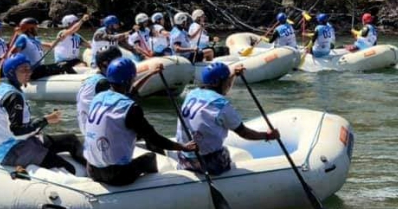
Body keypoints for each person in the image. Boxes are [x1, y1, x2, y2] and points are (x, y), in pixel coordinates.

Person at [84, 58, 196, 186]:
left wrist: (151, 73)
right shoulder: (130, 108)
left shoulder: (98, 97)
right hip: (116, 175)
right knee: (150, 157)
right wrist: (183, 147)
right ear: (129, 80)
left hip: (91, 169)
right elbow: (154, 138)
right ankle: (156, 188)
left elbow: (131, 92)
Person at [0, 54, 86, 174]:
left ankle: (94, 167)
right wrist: (45, 120)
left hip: (8, 145)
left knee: (70, 139)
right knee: (68, 168)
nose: (28, 73)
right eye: (23, 70)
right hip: (12, 150)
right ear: (11, 73)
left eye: (29, 68)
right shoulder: (14, 96)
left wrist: (39, 126)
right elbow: (17, 131)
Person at [177, 63, 279, 175]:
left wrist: (233, 74)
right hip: (207, 162)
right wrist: (267, 136)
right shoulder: (221, 105)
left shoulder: (192, 93)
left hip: (184, 157)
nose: (228, 83)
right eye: (226, 80)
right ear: (218, 83)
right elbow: (244, 133)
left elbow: (221, 87)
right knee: (224, 151)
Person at [76, 46, 122, 135]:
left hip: (88, 133)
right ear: (105, 64)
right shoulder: (104, 84)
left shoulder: (90, 80)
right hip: (101, 135)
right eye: (117, 62)